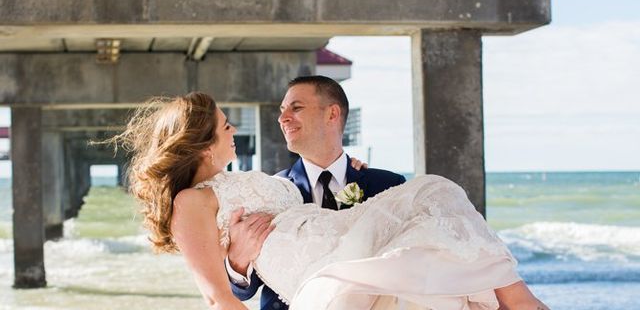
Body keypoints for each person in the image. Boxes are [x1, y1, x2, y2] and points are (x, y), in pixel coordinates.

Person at [115, 89, 549, 310]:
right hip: (318, 272)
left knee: (437, 195)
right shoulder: (192, 202)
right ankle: (521, 302)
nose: (234, 131)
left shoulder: (260, 179)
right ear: (205, 144)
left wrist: (352, 176)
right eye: (226, 126)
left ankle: (513, 299)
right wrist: (238, 264)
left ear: (332, 114)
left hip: (348, 237)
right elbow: (217, 294)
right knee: (436, 191)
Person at [226, 76, 407, 310]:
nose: (282, 118)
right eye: (282, 110)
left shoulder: (389, 186)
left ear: (332, 114)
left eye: (296, 107)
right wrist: (237, 262)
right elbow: (242, 291)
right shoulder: (269, 191)